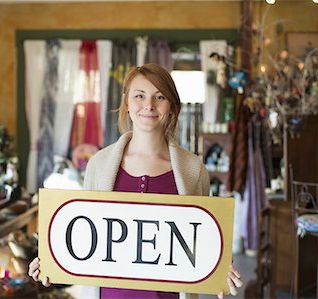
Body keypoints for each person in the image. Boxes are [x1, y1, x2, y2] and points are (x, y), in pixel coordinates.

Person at [29, 63, 242, 298]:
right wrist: (51, 259)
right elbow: (85, 238)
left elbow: (203, 237)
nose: (149, 105)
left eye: (159, 97)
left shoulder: (192, 169)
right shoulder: (98, 165)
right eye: (139, 96)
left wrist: (221, 268)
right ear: (127, 104)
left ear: (171, 106)